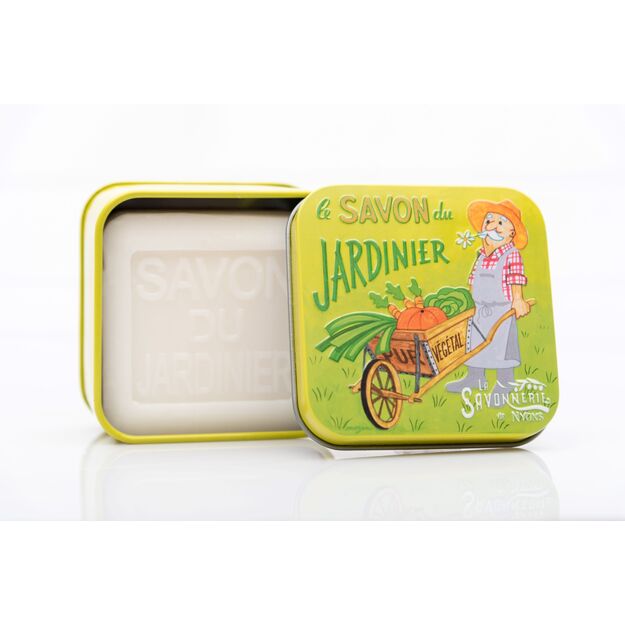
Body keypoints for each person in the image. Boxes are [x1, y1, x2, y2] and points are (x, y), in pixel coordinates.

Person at [446, 199, 530, 400]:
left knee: (502, 348)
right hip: (479, 310)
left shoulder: (511, 254)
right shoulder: (481, 256)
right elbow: (472, 280)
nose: (493, 225)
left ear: (512, 233)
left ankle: (505, 383)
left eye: (501, 222)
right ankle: (475, 377)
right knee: (475, 345)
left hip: (502, 310)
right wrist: (468, 303)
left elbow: (515, 277)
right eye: (489, 220)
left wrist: (518, 299)